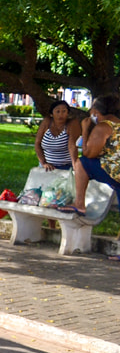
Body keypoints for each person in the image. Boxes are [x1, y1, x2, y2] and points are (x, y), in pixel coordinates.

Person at [71, 95, 120, 260]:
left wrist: (85, 130)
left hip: (115, 173)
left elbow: (89, 153)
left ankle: (79, 204)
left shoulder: (104, 127)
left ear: (96, 112)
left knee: (83, 162)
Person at [34, 100, 79, 171]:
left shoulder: (72, 124)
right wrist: (43, 163)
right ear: (51, 114)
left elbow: (72, 145)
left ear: (68, 113)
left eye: (64, 111)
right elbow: (37, 143)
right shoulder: (47, 122)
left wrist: (75, 165)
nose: (61, 114)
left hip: (66, 166)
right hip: (46, 166)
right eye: (57, 111)